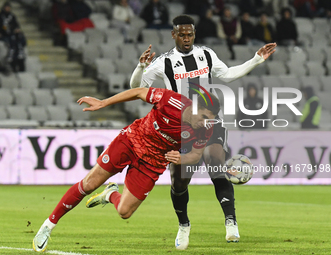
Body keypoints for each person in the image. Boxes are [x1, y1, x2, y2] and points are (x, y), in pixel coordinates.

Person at [130, 14, 276, 250]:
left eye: (190, 34)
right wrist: (140, 67)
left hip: (209, 121)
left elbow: (227, 74)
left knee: (216, 160)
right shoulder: (165, 62)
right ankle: (184, 224)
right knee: (179, 182)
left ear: (194, 34)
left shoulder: (206, 54)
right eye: (182, 34)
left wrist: (256, 60)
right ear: (173, 35)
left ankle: (231, 222)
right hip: (180, 127)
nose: (186, 38)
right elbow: (136, 88)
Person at [32, 84, 221, 252]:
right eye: (204, 116)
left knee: (124, 212)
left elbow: (195, 155)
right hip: (131, 140)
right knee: (89, 184)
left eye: (209, 119)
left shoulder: (205, 128)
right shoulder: (171, 100)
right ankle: (47, 227)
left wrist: (182, 158)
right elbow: (139, 92)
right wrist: (104, 103)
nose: (206, 122)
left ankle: (109, 194)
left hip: (153, 162)